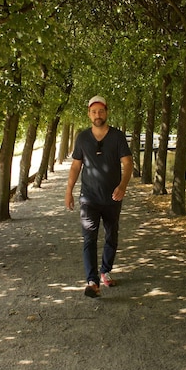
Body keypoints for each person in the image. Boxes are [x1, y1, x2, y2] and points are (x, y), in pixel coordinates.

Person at [65, 95, 133, 298]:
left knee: (112, 235)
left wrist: (123, 185)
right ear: (89, 114)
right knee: (89, 237)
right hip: (89, 198)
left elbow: (128, 163)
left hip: (112, 197)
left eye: (101, 111)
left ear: (106, 112)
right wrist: (68, 191)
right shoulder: (82, 138)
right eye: (94, 112)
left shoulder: (118, 137)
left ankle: (105, 270)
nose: (97, 115)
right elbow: (76, 165)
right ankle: (92, 281)